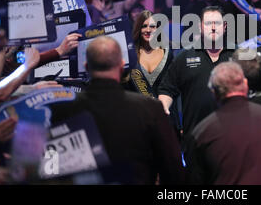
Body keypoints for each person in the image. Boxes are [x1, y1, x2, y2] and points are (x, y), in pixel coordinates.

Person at [51, 36, 184, 184]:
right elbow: (172, 167)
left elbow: (53, 168)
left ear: (87, 67)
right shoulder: (150, 109)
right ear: (121, 66)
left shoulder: (62, 108)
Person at [158, 6, 236, 142]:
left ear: (224, 26)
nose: (212, 28)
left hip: (232, 135)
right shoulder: (184, 56)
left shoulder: (238, 55)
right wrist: (163, 108)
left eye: (217, 23)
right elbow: (167, 89)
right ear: (200, 27)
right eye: (207, 23)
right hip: (195, 136)